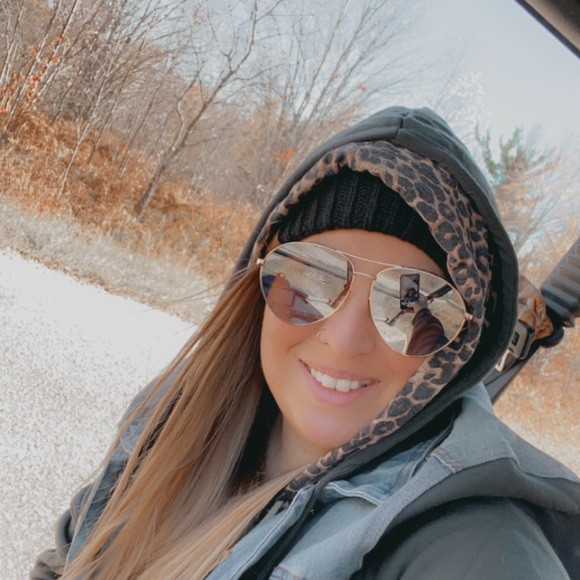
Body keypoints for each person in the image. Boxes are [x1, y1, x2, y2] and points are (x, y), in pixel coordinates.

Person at [32, 106, 580, 579]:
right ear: (261, 277)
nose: (343, 339)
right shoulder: (173, 421)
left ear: (457, 349)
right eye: (312, 277)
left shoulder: (473, 541)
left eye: (413, 305)